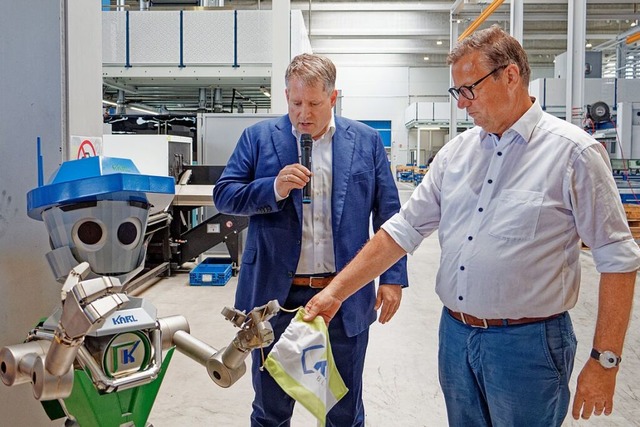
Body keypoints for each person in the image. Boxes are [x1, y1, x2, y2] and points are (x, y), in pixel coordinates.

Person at [303, 25, 640, 427]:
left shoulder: (574, 154)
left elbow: (617, 258)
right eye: (456, 92)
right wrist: (336, 293)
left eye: (469, 89)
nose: (462, 104)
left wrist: (605, 360)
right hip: (456, 338)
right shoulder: (455, 155)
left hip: (528, 347)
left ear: (510, 76)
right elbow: (402, 230)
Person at [213, 53, 408, 426]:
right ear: (287, 95)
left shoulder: (364, 141)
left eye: (314, 103)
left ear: (333, 98)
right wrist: (273, 187)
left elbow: (390, 215)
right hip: (274, 302)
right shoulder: (258, 138)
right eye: (295, 102)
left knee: (343, 412)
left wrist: (393, 277)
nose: (303, 113)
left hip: (342, 297)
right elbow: (225, 195)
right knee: (270, 410)